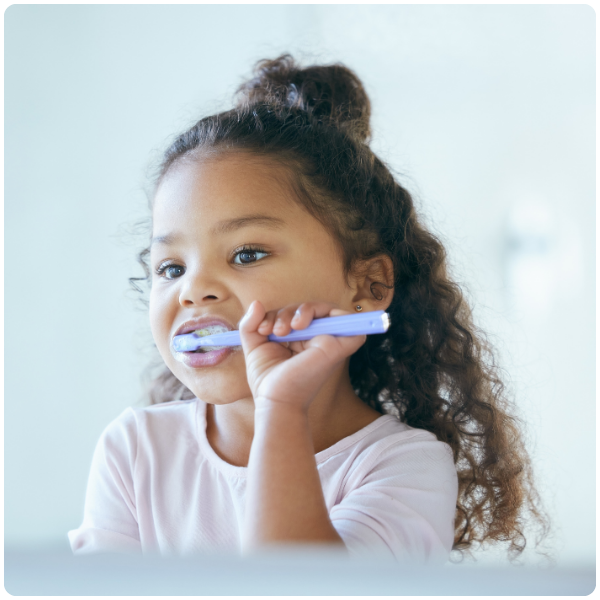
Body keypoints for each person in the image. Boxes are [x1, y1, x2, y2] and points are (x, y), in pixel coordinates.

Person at [68, 54, 547, 562]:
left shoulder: (403, 466)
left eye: (246, 254)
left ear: (369, 284)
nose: (192, 290)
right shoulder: (136, 451)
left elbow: (296, 589)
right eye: (170, 268)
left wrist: (281, 408)